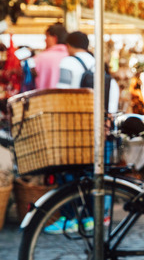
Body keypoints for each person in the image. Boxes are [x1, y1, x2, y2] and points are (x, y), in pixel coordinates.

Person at [44, 32, 120, 235]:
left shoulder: (69, 63)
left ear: (69, 45)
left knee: (68, 173)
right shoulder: (100, 66)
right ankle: (90, 217)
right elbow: (112, 100)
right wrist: (106, 124)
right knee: (93, 173)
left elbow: (62, 94)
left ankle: (69, 219)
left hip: (74, 129)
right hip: (99, 130)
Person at [33, 23, 69, 90]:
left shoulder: (39, 58)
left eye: (47, 36)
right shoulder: (71, 57)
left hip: (41, 98)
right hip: (67, 99)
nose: (45, 40)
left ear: (54, 38)